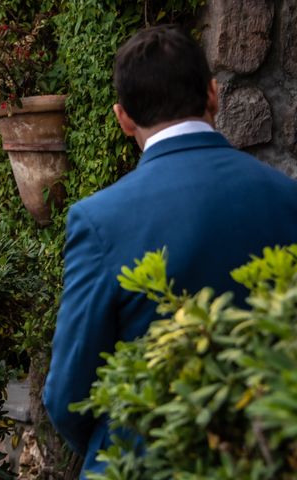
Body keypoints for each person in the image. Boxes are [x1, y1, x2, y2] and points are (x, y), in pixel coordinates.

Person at [43, 24, 297, 479]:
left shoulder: (100, 218)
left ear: (122, 118)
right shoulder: (286, 197)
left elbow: (68, 394)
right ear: (214, 94)